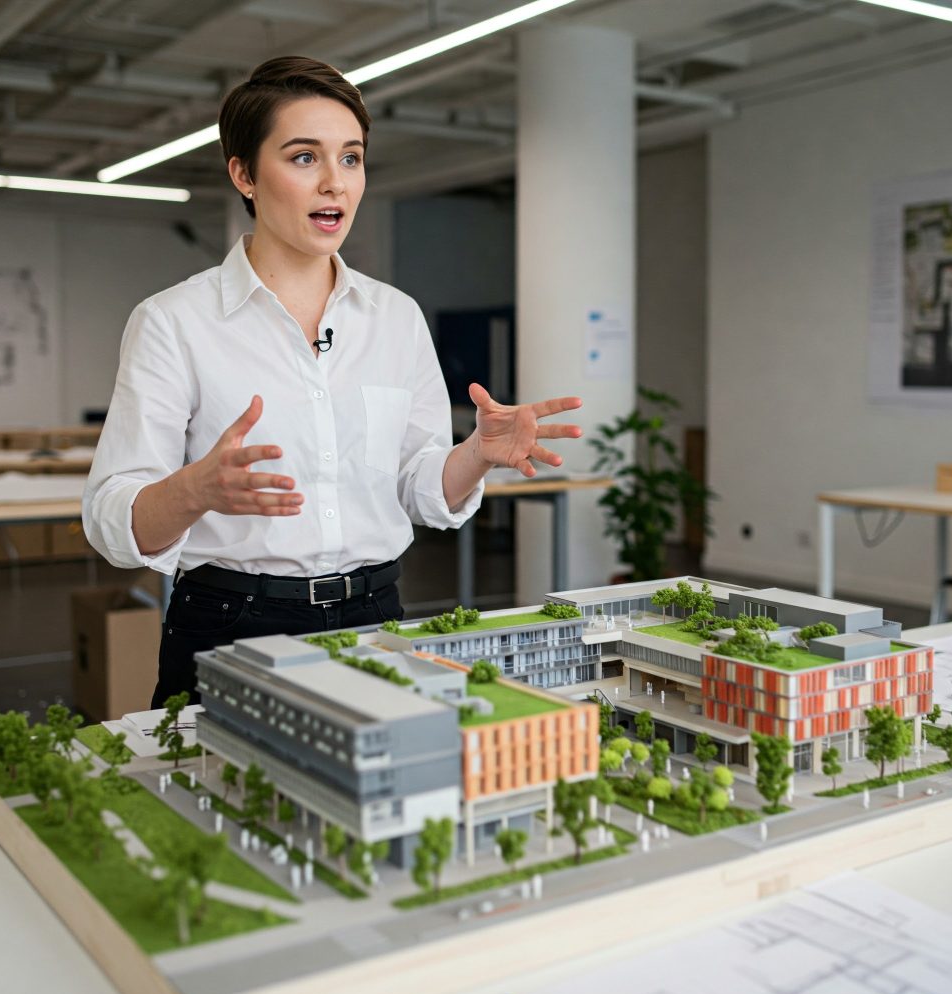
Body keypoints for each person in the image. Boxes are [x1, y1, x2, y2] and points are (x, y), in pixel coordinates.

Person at [83, 56, 582, 710]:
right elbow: (111, 517)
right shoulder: (173, 322)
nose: (334, 183)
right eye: (303, 157)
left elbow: (418, 486)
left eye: (351, 158)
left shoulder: (395, 317)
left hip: (375, 615)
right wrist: (194, 489)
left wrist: (474, 456)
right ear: (244, 174)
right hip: (229, 623)